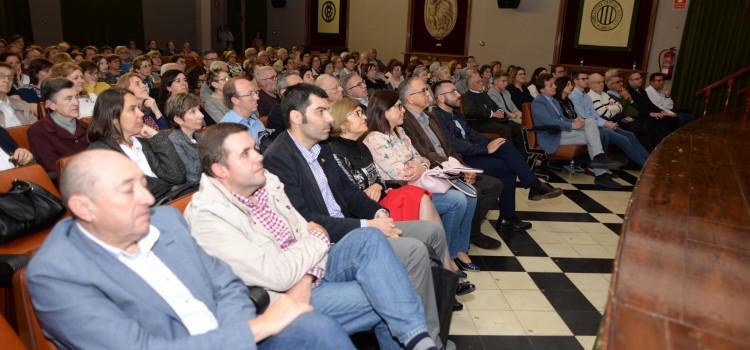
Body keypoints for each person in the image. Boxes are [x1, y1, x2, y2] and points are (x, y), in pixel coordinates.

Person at [26, 149, 355, 350]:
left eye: (143, 184)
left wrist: (235, 337)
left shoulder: (165, 221)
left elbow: (225, 285)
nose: (148, 199)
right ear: (85, 208)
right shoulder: (56, 274)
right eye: (129, 191)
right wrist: (256, 328)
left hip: (229, 339)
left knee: (316, 327)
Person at [185, 123, 439, 350]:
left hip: (310, 270)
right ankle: (417, 338)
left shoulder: (266, 182)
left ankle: (417, 340)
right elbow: (278, 273)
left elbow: (307, 231)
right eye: (245, 153)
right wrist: (315, 245)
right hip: (279, 298)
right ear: (220, 169)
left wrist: (311, 265)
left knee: (369, 239)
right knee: (390, 295)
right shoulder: (209, 216)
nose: (259, 157)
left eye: (254, 148)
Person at [263, 83, 450, 349]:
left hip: (354, 225)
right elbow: (307, 220)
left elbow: (350, 193)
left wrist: (379, 213)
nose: (330, 118)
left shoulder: (321, 147)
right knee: (413, 251)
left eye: (329, 111)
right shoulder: (279, 158)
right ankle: (427, 338)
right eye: (321, 112)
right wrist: (369, 225)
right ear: (296, 116)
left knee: (430, 231)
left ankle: (427, 323)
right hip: (330, 242)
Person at [432, 80, 563, 230]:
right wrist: (486, 149)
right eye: (453, 92)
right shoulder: (436, 117)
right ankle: (525, 197)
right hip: (460, 160)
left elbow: (471, 134)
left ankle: (525, 198)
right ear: (441, 98)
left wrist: (491, 142)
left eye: (457, 90)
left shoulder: (456, 113)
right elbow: (454, 144)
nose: (458, 95)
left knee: (504, 144)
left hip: (472, 152)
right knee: (508, 167)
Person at [88, 88, 186, 201]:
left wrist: (156, 136)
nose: (141, 113)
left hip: (169, 200)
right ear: (113, 118)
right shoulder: (101, 152)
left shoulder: (144, 140)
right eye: (132, 109)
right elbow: (136, 191)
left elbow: (177, 176)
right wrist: (167, 185)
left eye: (139, 108)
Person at [531, 73, 623, 188]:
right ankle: (600, 172)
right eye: (550, 85)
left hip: (561, 132)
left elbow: (562, 119)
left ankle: (599, 161)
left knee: (589, 122)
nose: (555, 86)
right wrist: (572, 126)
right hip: (551, 136)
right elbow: (548, 122)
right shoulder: (538, 102)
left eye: (554, 84)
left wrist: (574, 122)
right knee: (592, 137)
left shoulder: (553, 100)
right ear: (542, 90)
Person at [569, 71, 649, 168]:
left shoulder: (586, 96)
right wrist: (605, 123)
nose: (602, 84)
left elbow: (613, 109)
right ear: (575, 81)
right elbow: (585, 116)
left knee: (630, 135)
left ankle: (650, 161)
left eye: (602, 82)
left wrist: (606, 122)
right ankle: (646, 166)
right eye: (583, 79)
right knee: (623, 139)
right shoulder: (575, 96)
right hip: (587, 126)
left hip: (598, 123)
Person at [27, 78, 90, 173]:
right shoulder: (38, 131)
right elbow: (53, 169)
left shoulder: (85, 126)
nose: (76, 103)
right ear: (51, 105)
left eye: (76, 97)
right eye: (68, 99)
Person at [462, 69, 526, 157]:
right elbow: (470, 112)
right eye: (478, 82)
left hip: (491, 120)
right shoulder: (468, 96)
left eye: (481, 81)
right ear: (471, 84)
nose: (481, 83)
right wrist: (491, 113)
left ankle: (522, 155)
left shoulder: (483, 94)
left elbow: (495, 106)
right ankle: (508, 155)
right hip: (479, 123)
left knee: (517, 127)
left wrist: (499, 111)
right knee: (505, 129)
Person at [220, 77, 266, 142]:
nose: (257, 97)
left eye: (255, 92)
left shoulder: (253, 118)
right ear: (235, 100)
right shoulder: (227, 130)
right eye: (250, 94)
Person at [0, 62, 35, 127]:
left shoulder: (22, 104)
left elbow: (36, 128)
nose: (7, 80)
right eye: (1, 76)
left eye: (10, 77)